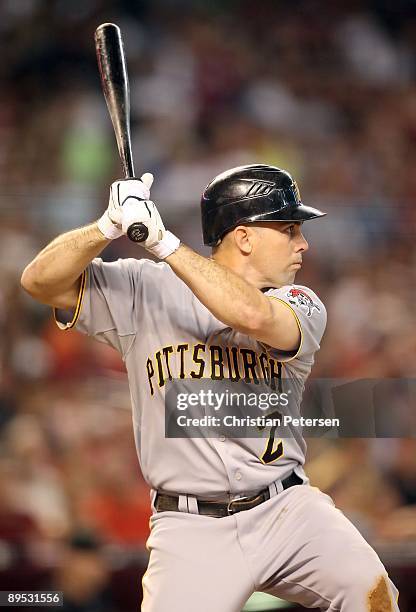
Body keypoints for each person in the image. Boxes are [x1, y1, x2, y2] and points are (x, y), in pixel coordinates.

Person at [21, 164, 399, 611]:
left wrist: (163, 243)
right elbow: (38, 281)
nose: (304, 244)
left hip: (285, 508)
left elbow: (253, 317)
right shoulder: (146, 288)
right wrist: (105, 227)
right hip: (189, 525)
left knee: (374, 595)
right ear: (244, 237)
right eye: (290, 229)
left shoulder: (300, 301)